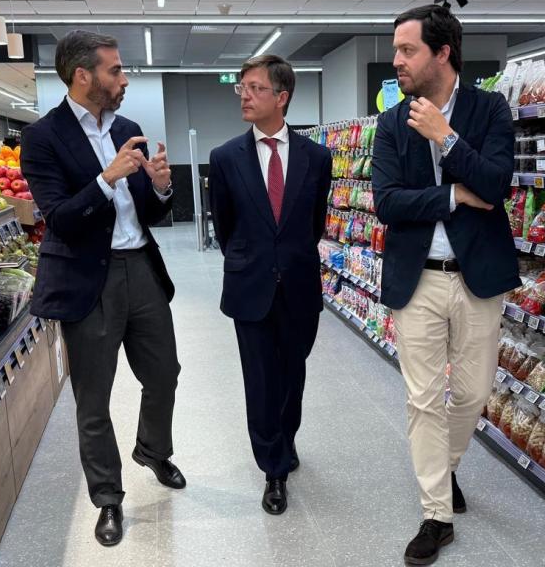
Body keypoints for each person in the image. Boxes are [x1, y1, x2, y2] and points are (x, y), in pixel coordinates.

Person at [20, 30, 184, 548]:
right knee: (94, 398)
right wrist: (106, 179)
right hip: (86, 279)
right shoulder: (42, 138)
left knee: (165, 373)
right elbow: (62, 220)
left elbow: (151, 214)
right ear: (83, 75)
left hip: (141, 269)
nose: (124, 77)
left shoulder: (129, 128)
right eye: (115, 70)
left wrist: (159, 186)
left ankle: (153, 451)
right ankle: (108, 499)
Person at [371, 5, 520, 565]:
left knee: (475, 394)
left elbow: (498, 183)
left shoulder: (489, 109)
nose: (397, 61)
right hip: (418, 281)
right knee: (423, 399)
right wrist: (456, 194)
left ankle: (444, 468)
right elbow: (387, 204)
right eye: (396, 50)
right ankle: (435, 513)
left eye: (407, 50)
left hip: (479, 277)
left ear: (442, 53)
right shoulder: (390, 122)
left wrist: (448, 139)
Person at [207, 55, 332, 515]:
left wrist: (287, 256)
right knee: (260, 380)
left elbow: (314, 222)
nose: (245, 94)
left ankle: (286, 437)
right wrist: (251, 260)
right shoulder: (225, 158)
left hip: (299, 285)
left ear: (282, 97)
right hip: (250, 286)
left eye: (256, 88)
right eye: (242, 87)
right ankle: (272, 469)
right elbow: (225, 226)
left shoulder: (317, 157)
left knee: (292, 374)